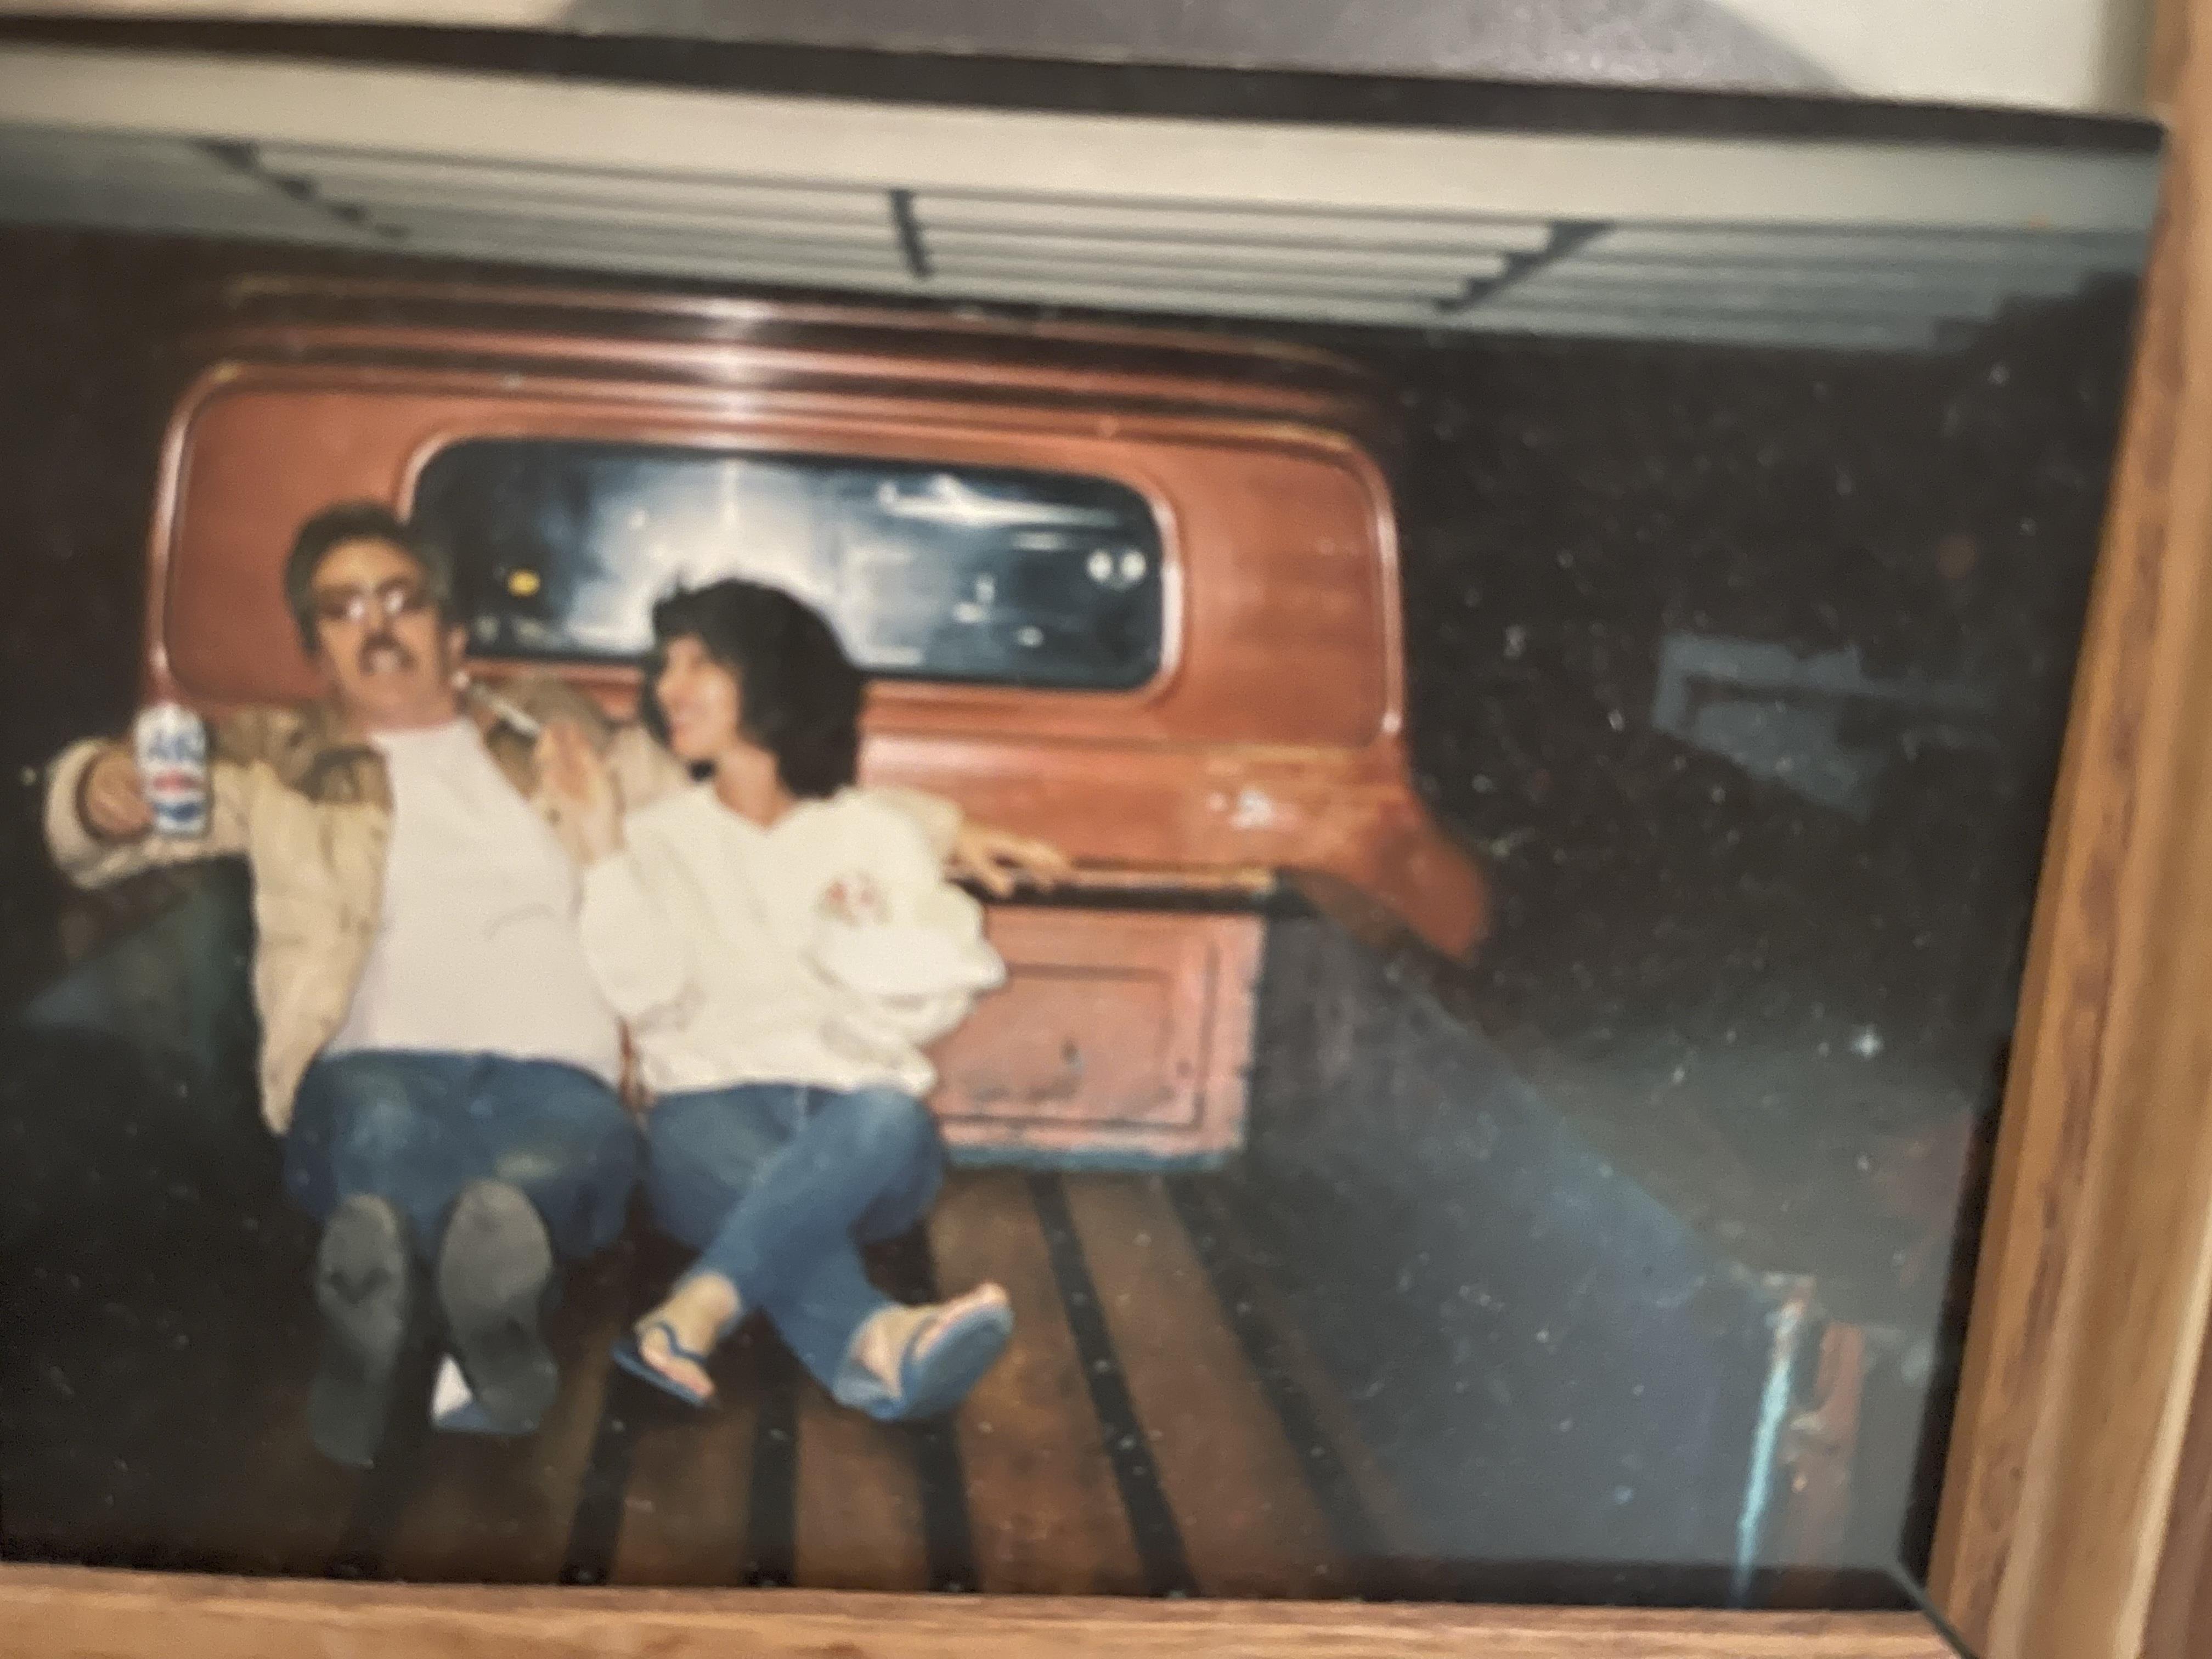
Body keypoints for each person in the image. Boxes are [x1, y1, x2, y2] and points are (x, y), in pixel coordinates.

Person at [44, 504, 1064, 1465]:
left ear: (454, 636)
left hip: (559, 1081)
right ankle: (456, 1350)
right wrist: (95, 788)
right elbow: (119, 830)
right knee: (390, 1142)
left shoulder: (568, 749)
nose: (377, 626)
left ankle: (413, 1355)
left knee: (531, 1185)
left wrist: (943, 826)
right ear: (315, 653)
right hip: (377, 1064)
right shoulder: (279, 768)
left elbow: (766, 795)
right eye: (343, 609)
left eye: (401, 598)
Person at [540, 578, 1014, 1420]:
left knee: (890, 1115)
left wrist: (856, 973)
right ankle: (876, 1339)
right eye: (664, 665)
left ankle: (699, 1305)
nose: (669, 687)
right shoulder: (651, 839)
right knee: (717, 1144)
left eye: (700, 663)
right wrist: (602, 853)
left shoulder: (878, 833)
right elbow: (646, 998)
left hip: (861, 1147)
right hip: (707, 1130)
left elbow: (937, 995)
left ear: (773, 675)